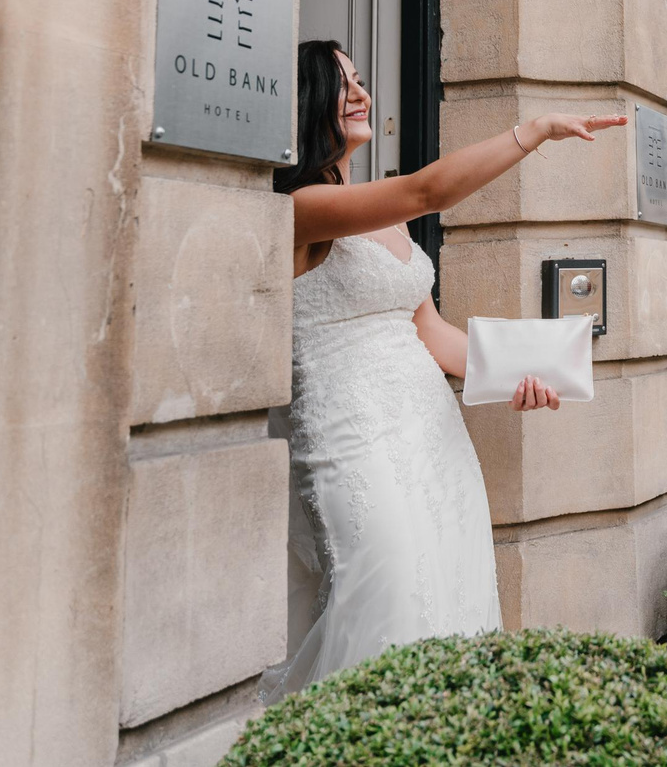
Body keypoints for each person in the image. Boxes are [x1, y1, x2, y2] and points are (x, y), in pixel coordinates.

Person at [266, 38, 626, 695]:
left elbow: (430, 334)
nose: (361, 94)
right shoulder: (300, 208)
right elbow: (432, 188)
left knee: (450, 600)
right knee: (390, 604)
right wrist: (533, 131)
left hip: (432, 440)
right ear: (304, 103)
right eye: (341, 83)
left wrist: (520, 379)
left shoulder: (384, 214)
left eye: (361, 80)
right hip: (355, 443)